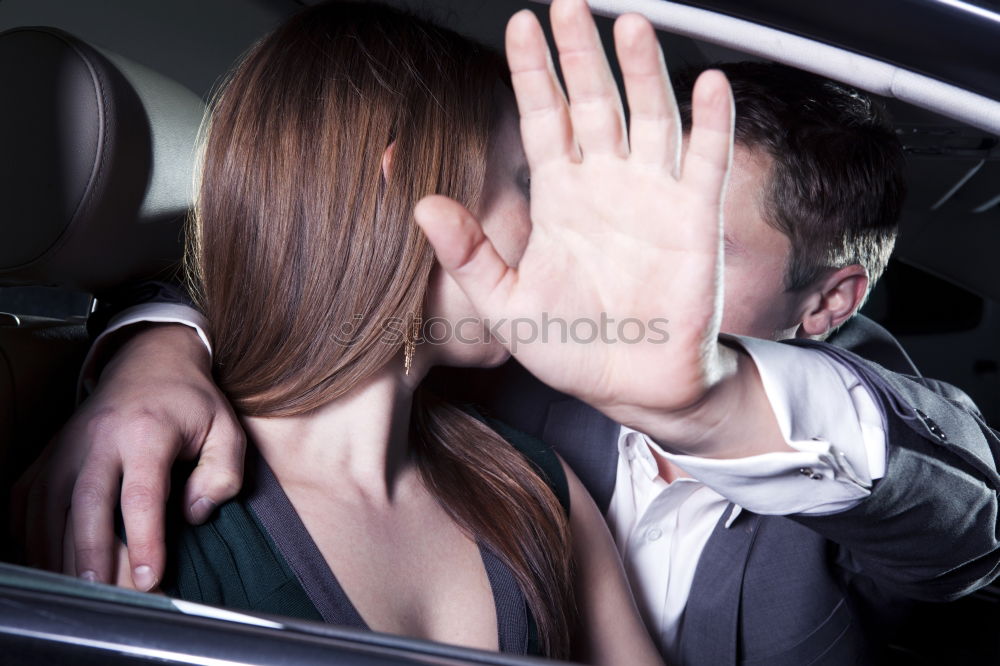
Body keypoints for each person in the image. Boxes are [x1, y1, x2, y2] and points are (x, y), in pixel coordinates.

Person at [14, 0, 1000, 663]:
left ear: (825, 305)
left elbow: (964, 521)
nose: (605, 262)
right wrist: (153, 346)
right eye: (546, 191)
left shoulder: (532, 475)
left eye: (688, 242)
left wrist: (707, 402)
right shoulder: (137, 483)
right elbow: (293, 301)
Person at [14, 2, 671, 663]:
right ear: (414, 185)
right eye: (526, 183)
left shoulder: (537, 487)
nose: (551, 230)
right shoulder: (148, 510)